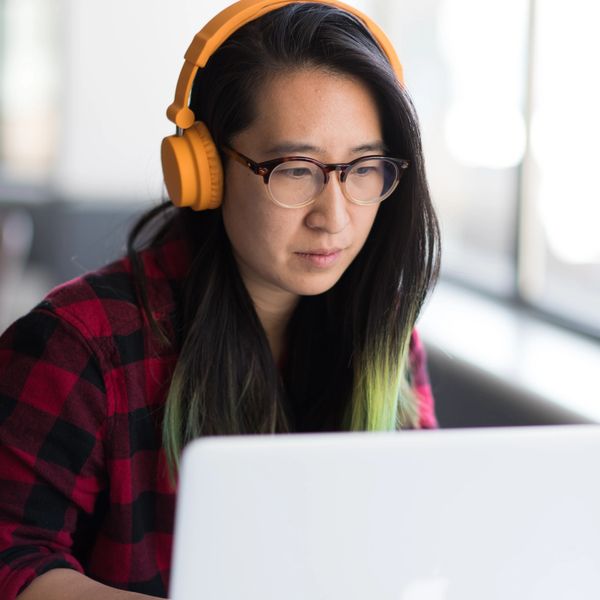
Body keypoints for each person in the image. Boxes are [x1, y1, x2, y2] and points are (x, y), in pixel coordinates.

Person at [0, 0, 440, 598]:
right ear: (204, 171)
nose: (334, 216)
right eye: (295, 168)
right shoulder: (79, 346)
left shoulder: (384, 331)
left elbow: (413, 532)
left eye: (363, 168)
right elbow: (13, 557)